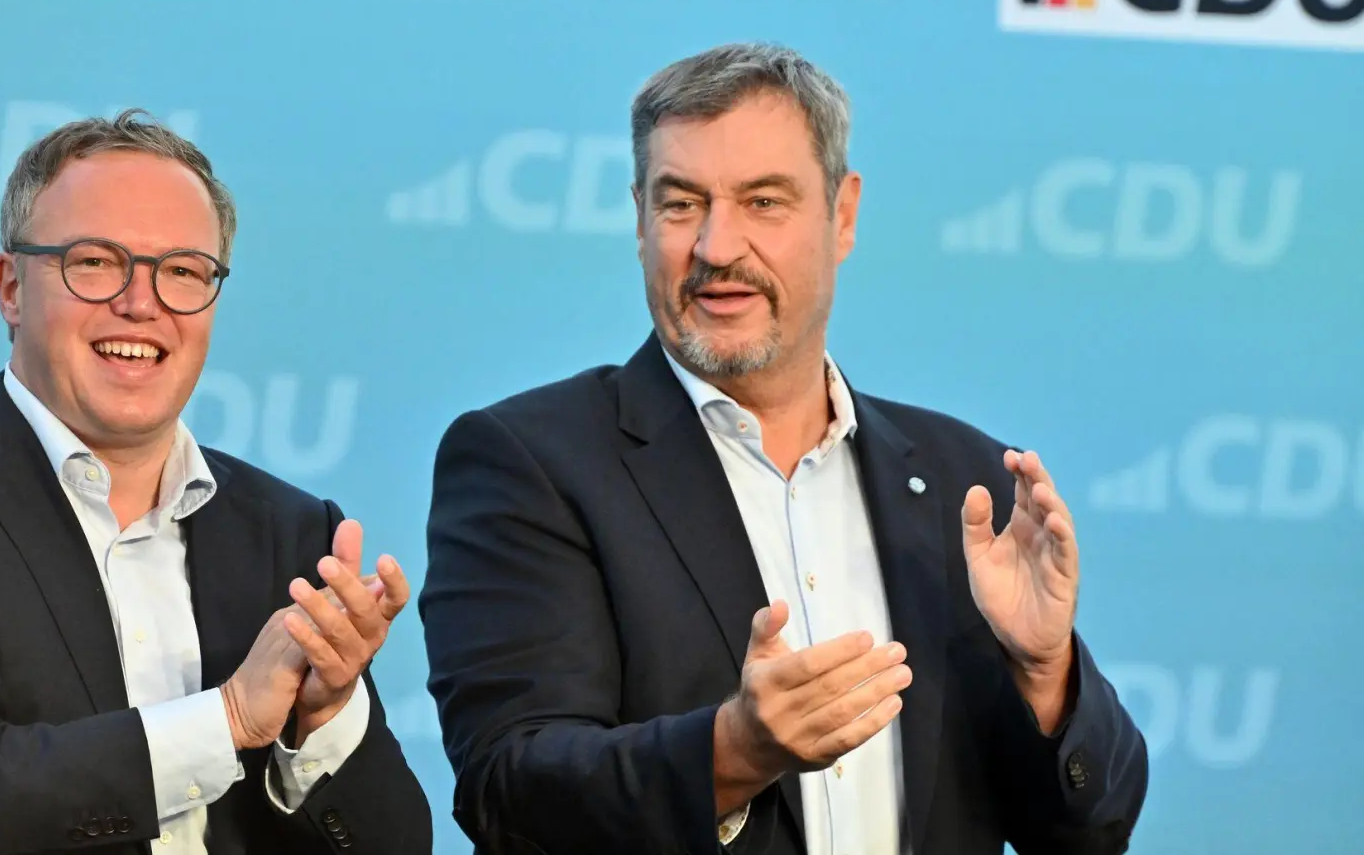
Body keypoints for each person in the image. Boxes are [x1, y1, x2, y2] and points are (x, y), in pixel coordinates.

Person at [419, 43, 1148, 855]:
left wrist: (1046, 675)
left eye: (763, 202)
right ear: (638, 220)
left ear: (842, 215)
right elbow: (508, 792)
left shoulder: (964, 483)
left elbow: (1092, 828)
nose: (717, 247)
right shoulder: (532, 463)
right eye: (681, 204)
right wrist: (734, 752)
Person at [0, 110, 432, 854]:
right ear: (11, 287)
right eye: (94, 261)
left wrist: (325, 718)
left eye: (182, 271)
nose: (141, 303)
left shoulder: (292, 530)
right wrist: (230, 721)